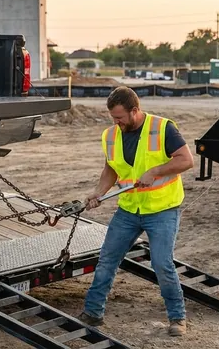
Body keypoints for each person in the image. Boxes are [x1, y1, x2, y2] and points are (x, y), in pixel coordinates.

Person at [77, 86, 194, 337]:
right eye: (113, 118)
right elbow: (111, 168)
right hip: (128, 210)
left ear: (135, 110)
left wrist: (155, 171)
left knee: (162, 264)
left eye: (120, 117)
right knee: (107, 259)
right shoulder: (111, 134)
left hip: (162, 209)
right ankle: (93, 312)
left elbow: (186, 160)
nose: (116, 122)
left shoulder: (162, 128)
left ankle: (177, 318)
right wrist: (98, 192)